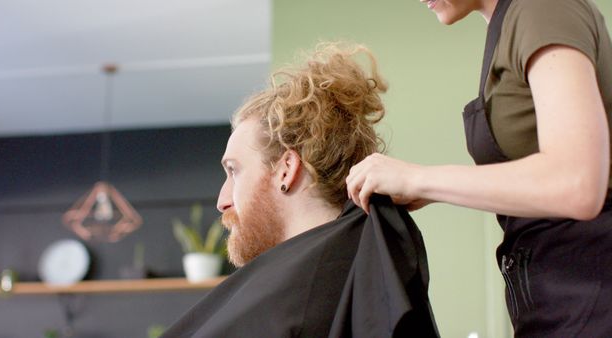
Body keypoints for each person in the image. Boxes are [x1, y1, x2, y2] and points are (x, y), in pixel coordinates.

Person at [346, 0, 612, 336]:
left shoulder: (543, 8)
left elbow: (578, 183)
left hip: (593, 295)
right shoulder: (507, 27)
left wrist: (419, 180)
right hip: (556, 300)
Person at [161, 43, 439, 337]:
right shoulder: (354, 274)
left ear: (286, 169)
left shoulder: (294, 301)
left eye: (234, 171)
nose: (222, 201)